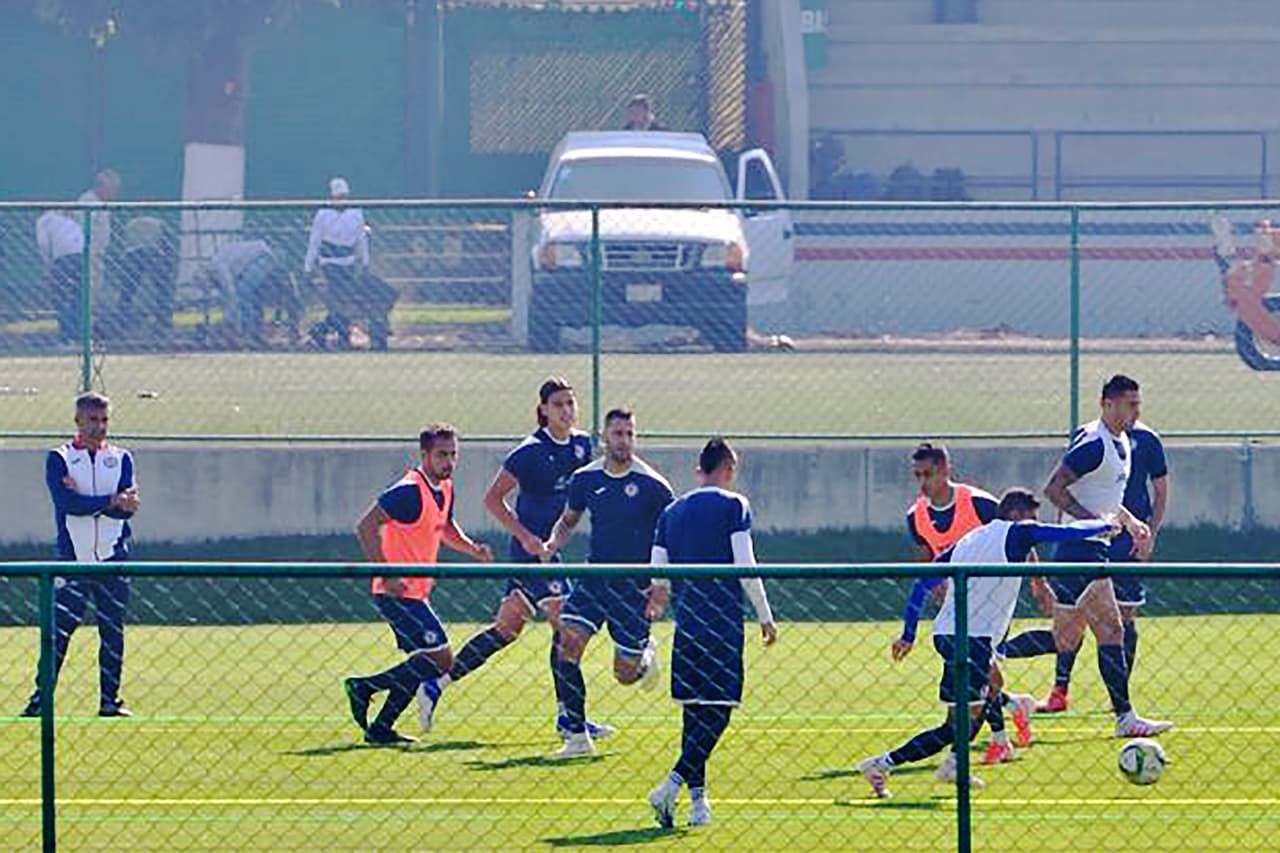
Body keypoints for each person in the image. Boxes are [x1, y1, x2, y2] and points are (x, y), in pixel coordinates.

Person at [857, 489, 1120, 798]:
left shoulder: (969, 540)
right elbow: (1064, 532)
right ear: (1015, 515)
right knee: (958, 726)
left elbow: (922, 582)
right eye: (1030, 519)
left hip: (949, 634)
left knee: (991, 686)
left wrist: (909, 634)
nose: (1032, 529)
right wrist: (1103, 525)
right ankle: (884, 764)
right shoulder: (1017, 531)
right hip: (973, 639)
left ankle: (961, 757)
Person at [428, 378, 601, 739]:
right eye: (558, 405)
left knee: (507, 630)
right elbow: (492, 500)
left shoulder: (583, 445)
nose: (566, 411)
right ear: (542, 410)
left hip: (551, 551)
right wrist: (525, 536)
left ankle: (436, 684)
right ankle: (571, 719)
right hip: (530, 554)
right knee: (567, 625)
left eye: (571, 403)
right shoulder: (529, 451)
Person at [646, 438, 777, 829]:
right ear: (729, 468)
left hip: (687, 625)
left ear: (699, 468)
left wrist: (654, 615)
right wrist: (765, 616)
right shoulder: (735, 506)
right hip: (721, 623)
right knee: (719, 711)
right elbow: (745, 564)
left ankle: (699, 802)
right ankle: (670, 786)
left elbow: (658, 577)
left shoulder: (670, 512)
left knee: (694, 712)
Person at [342, 423, 493, 745]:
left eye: (453, 455)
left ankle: (381, 728)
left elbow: (445, 526)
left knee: (421, 662)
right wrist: (387, 573)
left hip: (417, 593)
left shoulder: (445, 487)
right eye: (442, 455)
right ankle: (365, 686)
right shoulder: (409, 491)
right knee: (442, 660)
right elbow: (366, 526)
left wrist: (471, 548)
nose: (449, 462)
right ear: (424, 455)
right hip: (396, 593)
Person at [1041, 374, 1172, 738]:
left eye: (1138, 403)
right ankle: (1125, 717)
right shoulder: (1094, 443)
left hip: (1090, 549)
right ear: (1107, 404)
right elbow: (1053, 489)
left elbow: (1109, 501)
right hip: (1077, 551)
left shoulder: (1123, 443)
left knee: (1080, 634)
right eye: (1130, 404)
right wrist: (1090, 522)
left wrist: (1130, 523)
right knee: (1091, 632)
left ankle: (1124, 717)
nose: (1136, 410)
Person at [891, 442, 1035, 764]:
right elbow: (927, 559)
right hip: (958, 608)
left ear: (946, 470)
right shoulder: (916, 516)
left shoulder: (979, 504)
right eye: (917, 475)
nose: (923, 482)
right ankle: (1011, 714)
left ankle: (999, 739)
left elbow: (1021, 534)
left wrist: (1037, 580)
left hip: (990, 604)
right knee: (984, 677)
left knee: (983, 676)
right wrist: (935, 585)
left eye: (928, 474)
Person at [542, 408, 675, 757]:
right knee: (565, 646)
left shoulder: (654, 486)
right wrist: (554, 542)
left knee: (625, 676)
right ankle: (576, 736)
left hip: (634, 588)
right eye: (618, 433)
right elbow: (568, 520)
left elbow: (669, 539)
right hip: (595, 579)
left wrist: (661, 586)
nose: (624, 440)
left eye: (630, 434)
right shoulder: (585, 479)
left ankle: (644, 656)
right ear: (604, 438)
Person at [23, 392, 140, 718]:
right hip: (72, 562)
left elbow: (127, 510)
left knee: (112, 632)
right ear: (77, 421)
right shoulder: (59, 457)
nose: (99, 427)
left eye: (104, 420)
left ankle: (110, 702)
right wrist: (110, 501)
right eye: (92, 420)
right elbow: (68, 505)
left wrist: (109, 503)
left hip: (113, 562)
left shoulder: (121, 458)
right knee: (57, 634)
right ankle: (39, 700)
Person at [303, 177, 372, 350]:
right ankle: (338, 335)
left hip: (348, 262)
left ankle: (321, 332)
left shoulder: (356, 213)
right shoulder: (323, 214)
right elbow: (315, 241)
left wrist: (364, 262)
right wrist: (308, 266)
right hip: (329, 263)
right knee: (340, 300)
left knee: (342, 302)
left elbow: (360, 239)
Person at [195, 239, 302, 349]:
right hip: (257, 258)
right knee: (252, 298)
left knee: (243, 295)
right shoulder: (219, 264)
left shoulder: (219, 268)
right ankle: (254, 333)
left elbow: (231, 293)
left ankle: (248, 334)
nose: (213, 287)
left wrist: (229, 319)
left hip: (262, 257)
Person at [114, 216, 177, 346]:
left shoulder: (132, 224)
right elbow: (168, 243)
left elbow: (122, 243)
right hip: (150, 253)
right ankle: (163, 322)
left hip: (134, 254)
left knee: (127, 292)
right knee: (161, 290)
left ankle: (121, 324)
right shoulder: (159, 223)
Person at [35, 208, 86, 343]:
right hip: (80, 257)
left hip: (62, 259)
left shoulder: (44, 220)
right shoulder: (69, 218)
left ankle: (66, 335)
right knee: (78, 297)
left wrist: (47, 266)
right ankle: (79, 335)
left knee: (60, 298)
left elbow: (43, 244)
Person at [78, 169, 121, 301]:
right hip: (88, 252)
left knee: (97, 285)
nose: (114, 193)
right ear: (102, 187)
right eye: (112, 189)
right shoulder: (88, 201)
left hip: (98, 252)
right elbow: (82, 227)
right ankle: (88, 317)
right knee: (90, 285)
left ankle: (93, 315)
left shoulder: (102, 203)